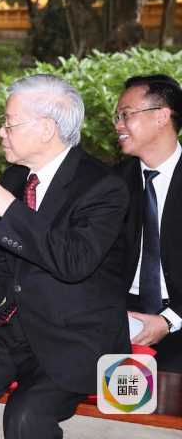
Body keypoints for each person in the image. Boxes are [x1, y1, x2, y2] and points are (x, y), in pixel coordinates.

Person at [0, 74, 130, 439]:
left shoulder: (104, 187)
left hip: (76, 338)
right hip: (13, 328)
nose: (1, 132)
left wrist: (9, 210)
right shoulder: (15, 178)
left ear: (45, 129)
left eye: (9, 123)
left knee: (25, 416)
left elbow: (73, 262)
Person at [114, 74, 182, 372]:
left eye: (126, 115)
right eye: (117, 117)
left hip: (178, 315)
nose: (118, 125)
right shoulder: (112, 184)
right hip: (123, 318)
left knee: (170, 393)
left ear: (162, 116)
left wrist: (169, 320)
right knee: (122, 394)